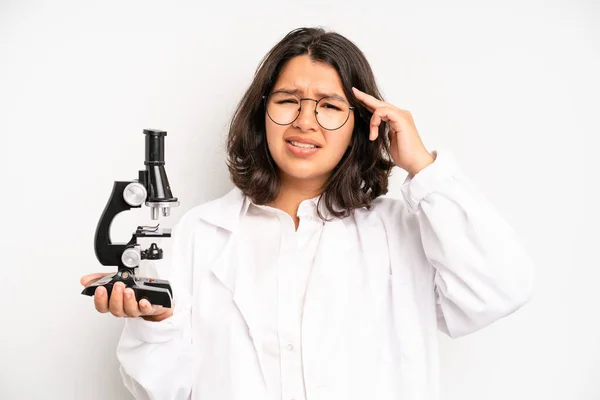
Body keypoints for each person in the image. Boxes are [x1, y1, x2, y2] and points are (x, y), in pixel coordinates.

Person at [80, 26, 535, 400]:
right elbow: (163, 391)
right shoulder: (202, 233)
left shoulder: (400, 229)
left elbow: (500, 289)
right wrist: (154, 327)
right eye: (288, 101)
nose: (305, 121)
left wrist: (422, 166)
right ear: (261, 113)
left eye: (331, 106)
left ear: (361, 122)